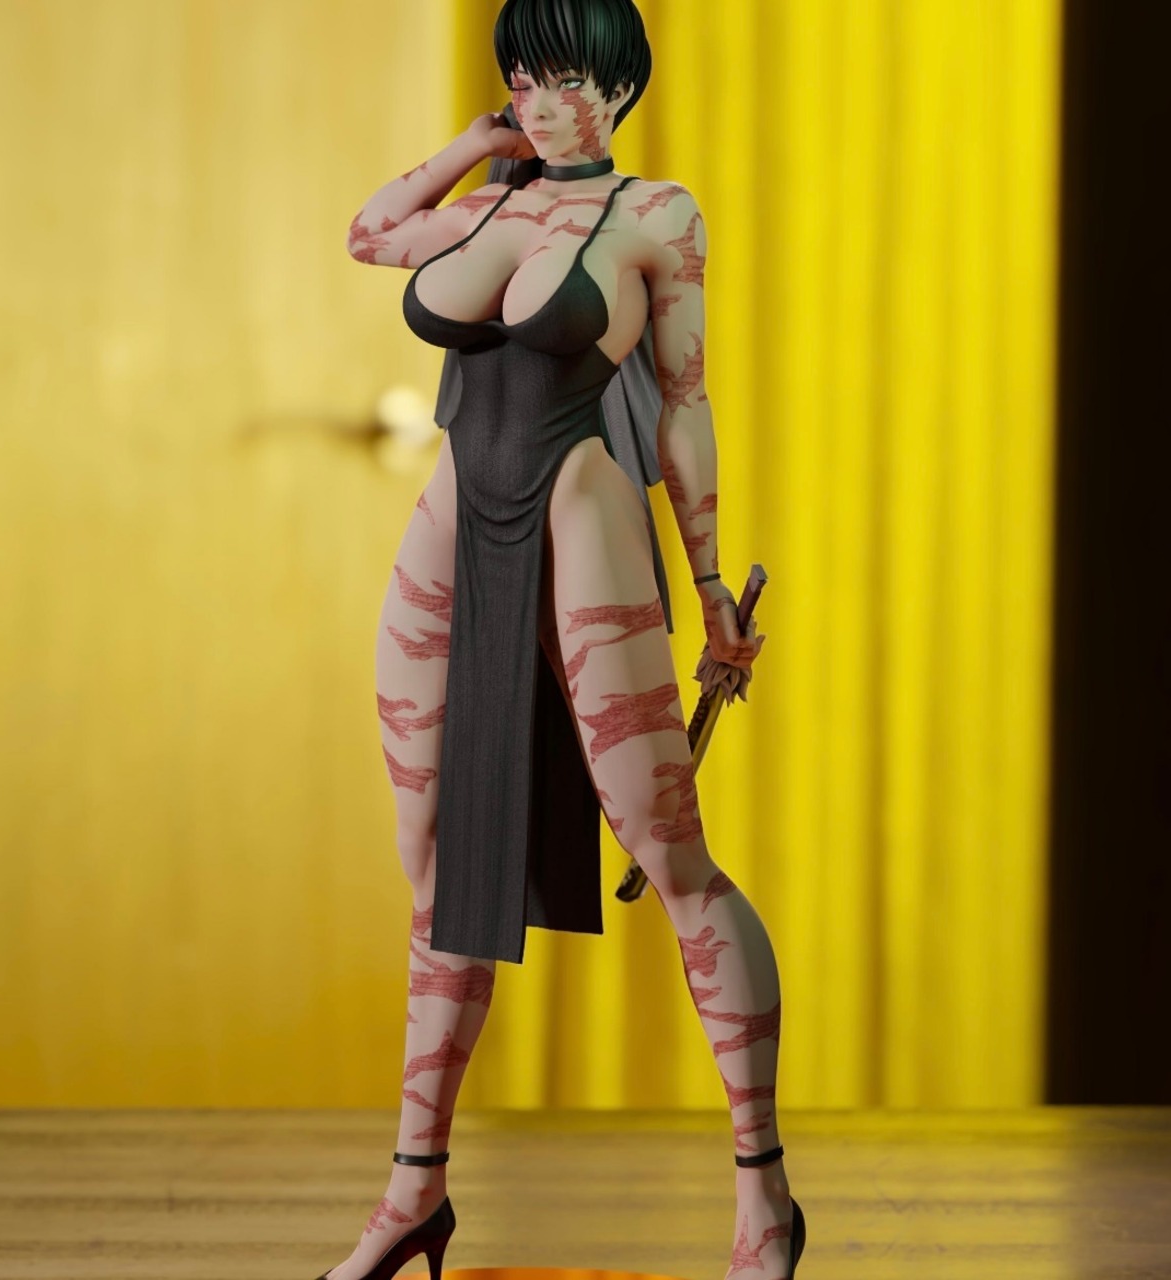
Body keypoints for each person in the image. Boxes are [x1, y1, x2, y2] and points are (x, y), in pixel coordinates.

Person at [329, 1, 806, 1276]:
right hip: (451, 520)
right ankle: (412, 1193)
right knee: (432, 867)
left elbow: (685, 403)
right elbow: (368, 232)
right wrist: (472, 143)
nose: (546, 103)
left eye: (570, 79)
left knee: (669, 850)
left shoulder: (657, 215)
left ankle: (762, 1192)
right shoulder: (484, 203)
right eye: (526, 79)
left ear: (621, 87)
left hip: (579, 509)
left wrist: (709, 581)